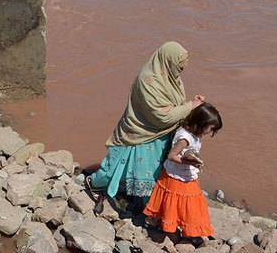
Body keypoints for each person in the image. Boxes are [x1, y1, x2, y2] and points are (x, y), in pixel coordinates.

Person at [85, 41, 206, 210]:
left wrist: (192, 107)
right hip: (139, 130)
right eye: (179, 67)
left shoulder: (171, 77)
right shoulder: (148, 81)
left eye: (182, 68)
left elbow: (174, 106)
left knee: (152, 171)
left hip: (160, 135)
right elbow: (161, 116)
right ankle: (93, 182)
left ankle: (145, 203)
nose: (181, 71)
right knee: (116, 166)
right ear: (167, 62)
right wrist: (190, 105)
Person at [143, 103, 223, 245]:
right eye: (210, 129)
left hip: (183, 174)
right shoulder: (185, 138)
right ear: (201, 123)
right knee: (186, 204)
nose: (210, 132)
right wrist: (190, 163)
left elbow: (187, 152)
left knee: (176, 203)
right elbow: (171, 156)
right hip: (177, 176)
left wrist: (194, 159)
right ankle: (174, 230)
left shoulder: (192, 134)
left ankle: (173, 226)